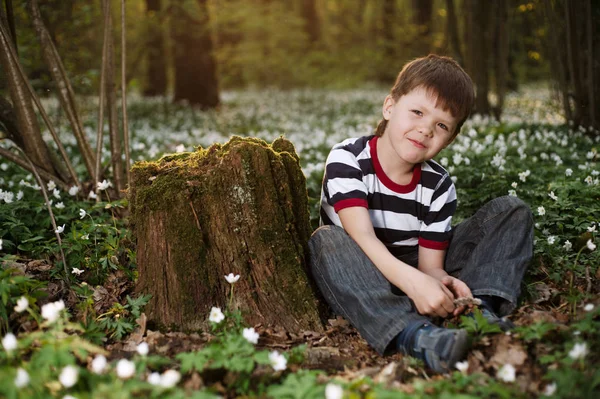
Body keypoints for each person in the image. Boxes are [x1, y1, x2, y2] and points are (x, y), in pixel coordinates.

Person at [308, 54, 533, 374]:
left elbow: (430, 266)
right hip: (360, 274)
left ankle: (476, 310)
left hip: (416, 272)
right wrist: (415, 284)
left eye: (441, 125)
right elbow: (362, 238)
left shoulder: (438, 184)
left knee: (511, 211)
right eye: (417, 112)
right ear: (389, 107)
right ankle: (415, 335)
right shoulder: (348, 158)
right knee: (327, 241)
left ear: (451, 138)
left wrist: (443, 284)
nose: (425, 129)